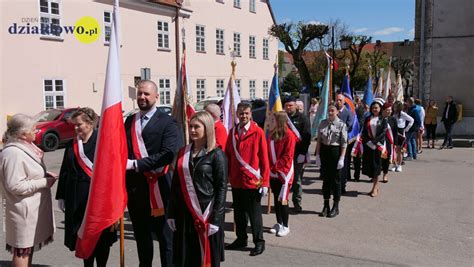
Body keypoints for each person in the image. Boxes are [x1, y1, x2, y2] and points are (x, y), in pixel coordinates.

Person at [124, 80, 179, 267]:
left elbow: (169, 153)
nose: (142, 97)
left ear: (157, 96)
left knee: (166, 241)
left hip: (161, 189)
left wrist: (135, 164)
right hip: (136, 191)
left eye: (146, 94)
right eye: (139, 93)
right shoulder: (130, 121)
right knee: (142, 238)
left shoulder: (168, 122)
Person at [56, 108, 117, 267]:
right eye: (74, 125)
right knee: (82, 235)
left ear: (90, 124)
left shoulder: (102, 142)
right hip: (76, 197)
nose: (75, 128)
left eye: (79, 125)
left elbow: (112, 172)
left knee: (100, 236)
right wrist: (61, 195)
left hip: (99, 197)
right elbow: (65, 171)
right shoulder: (72, 144)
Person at [168, 111, 228, 266]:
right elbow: (175, 185)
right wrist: (171, 213)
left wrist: (216, 219)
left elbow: (222, 189)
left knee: (206, 258)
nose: (192, 130)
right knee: (185, 258)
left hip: (206, 214)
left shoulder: (217, 155)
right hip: (184, 214)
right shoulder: (183, 153)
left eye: (197, 127)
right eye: (191, 126)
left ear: (207, 128)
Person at [0, 114, 56, 267]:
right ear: (23, 134)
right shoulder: (13, 153)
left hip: (30, 209)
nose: (36, 132)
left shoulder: (25, 147)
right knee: (22, 251)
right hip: (23, 211)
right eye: (34, 130)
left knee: (27, 249)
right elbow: (15, 185)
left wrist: (44, 175)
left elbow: (27, 174)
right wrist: (44, 182)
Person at [225, 102, 270, 256]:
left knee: (254, 214)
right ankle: (241, 239)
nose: (243, 116)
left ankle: (259, 242)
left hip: (252, 181)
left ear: (251, 114)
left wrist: (265, 182)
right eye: (241, 113)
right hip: (237, 180)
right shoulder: (232, 132)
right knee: (238, 213)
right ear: (237, 114)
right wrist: (227, 175)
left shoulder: (258, 132)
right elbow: (228, 156)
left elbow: (264, 159)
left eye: (246, 113)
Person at [314, 104, 347, 217]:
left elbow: (344, 143)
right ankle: (326, 205)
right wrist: (317, 155)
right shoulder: (322, 123)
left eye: (333, 110)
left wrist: (342, 158)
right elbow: (319, 140)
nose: (330, 112)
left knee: (336, 180)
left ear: (337, 112)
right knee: (325, 179)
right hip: (325, 151)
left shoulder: (341, 124)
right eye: (329, 110)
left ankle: (335, 206)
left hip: (335, 152)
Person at [267, 111, 297, 236]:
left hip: (283, 173)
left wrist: (274, 168)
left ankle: (286, 225)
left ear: (279, 122)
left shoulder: (289, 135)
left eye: (273, 120)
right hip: (273, 172)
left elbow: (287, 156)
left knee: (283, 199)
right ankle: (279, 222)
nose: (270, 122)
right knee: (275, 198)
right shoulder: (271, 135)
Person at [284, 96, 311, 212]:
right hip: (285, 154)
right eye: (287, 106)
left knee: (296, 180)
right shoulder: (283, 118)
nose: (289, 108)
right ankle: (283, 201)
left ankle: (297, 202)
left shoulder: (303, 119)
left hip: (297, 154)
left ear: (295, 105)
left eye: (291, 105)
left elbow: (307, 137)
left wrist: (303, 153)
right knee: (283, 179)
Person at [361, 100, 387, 197]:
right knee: (370, 167)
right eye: (373, 108)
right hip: (369, 145)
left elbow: (384, 132)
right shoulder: (368, 118)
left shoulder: (383, 119)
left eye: (376, 108)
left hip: (377, 146)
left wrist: (375, 142)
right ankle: (374, 187)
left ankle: (375, 188)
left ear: (380, 109)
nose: (374, 109)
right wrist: (368, 141)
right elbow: (363, 131)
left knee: (376, 167)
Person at [335, 93, 353, 194]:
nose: (338, 102)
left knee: (343, 165)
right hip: (333, 143)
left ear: (344, 101)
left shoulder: (348, 113)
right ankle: (334, 186)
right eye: (337, 100)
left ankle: (342, 186)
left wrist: (338, 129)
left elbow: (349, 126)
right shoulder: (332, 110)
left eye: (340, 100)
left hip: (343, 143)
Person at [392, 101, 414, 172]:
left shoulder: (402, 114)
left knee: (399, 150)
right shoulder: (393, 114)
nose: (394, 108)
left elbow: (411, 120)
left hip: (400, 132)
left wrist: (406, 129)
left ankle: (399, 165)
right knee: (394, 149)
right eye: (394, 106)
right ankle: (394, 164)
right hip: (393, 132)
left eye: (396, 107)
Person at [381, 103, 397, 183]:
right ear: (383, 110)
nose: (389, 111)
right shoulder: (379, 118)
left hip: (388, 143)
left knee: (386, 159)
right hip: (379, 142)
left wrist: (395, 144)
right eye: (388, 110)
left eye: (390, 110)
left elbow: (395, 132)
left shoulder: (393, 119)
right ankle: (375, 175)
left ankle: (385, 174)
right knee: (377, 159)